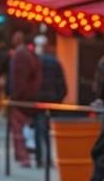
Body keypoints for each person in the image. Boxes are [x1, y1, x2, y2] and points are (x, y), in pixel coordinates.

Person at [7, 31, 42, 169]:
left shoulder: (20, 55)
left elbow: (19, 80)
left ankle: (23, 157)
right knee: (24, 130)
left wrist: (15, 96)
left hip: (21, 98)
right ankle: (24, 156)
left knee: (18, 130)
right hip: (29, 97)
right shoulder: (29, 54)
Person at [35, 38, 68, 169]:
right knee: (49, 131)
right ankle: (48, 158)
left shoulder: (36, 62)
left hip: (39, 100)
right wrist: (59, 99)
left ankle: (40, 158)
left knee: (39, 129)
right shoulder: (55, 63)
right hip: (53, 100)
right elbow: (62, 85)